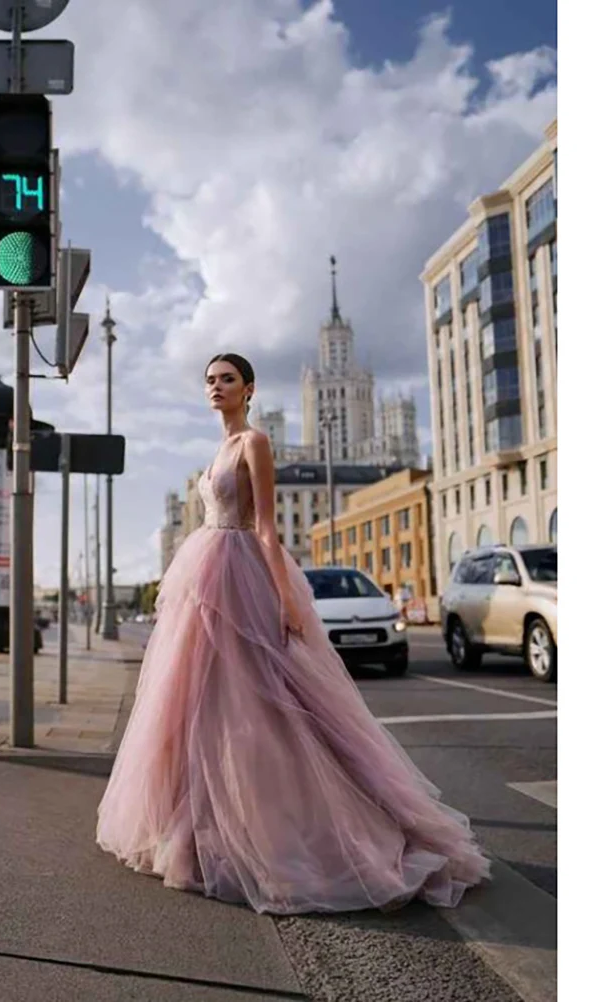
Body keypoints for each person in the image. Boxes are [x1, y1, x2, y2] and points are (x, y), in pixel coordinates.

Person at [96, 353, 490, 915]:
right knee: (200, 704)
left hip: (239, 574)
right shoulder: (217, 449)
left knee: (265, 701)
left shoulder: (255, 443)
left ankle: (292, 829)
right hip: (203, 576)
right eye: (209, 380)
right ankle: (200, 830)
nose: (216, 387)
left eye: (226, 379)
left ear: (249, 388)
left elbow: (264, 526)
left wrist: (283, 596)